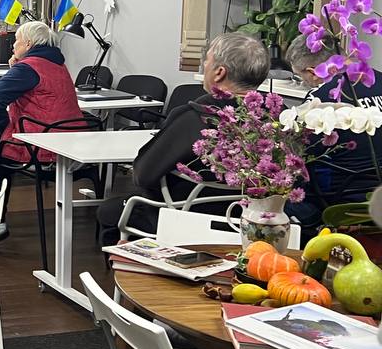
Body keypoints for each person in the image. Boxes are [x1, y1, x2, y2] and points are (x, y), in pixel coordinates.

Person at [96, 32, 270, 244]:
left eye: (207, 60)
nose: (204, 65)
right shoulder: (278, 120)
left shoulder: (193, 118)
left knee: (109, 210)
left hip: (185, 219)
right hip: (254, 224)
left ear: (219, 72)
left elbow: (143, 175)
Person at [0, 20, 83, 247]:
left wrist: (5, 128)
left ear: (29, 44)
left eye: (17, 41)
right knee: (2, 153)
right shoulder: (58, 64)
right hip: (68, 141)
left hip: (41, 146)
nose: (13, 46)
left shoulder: (28, 67)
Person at [286, 41, 382, 215]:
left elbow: (300, 156)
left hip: (340, 202)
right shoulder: (376, 78)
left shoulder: (318, 100)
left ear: (313, 72)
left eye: (301, 77)